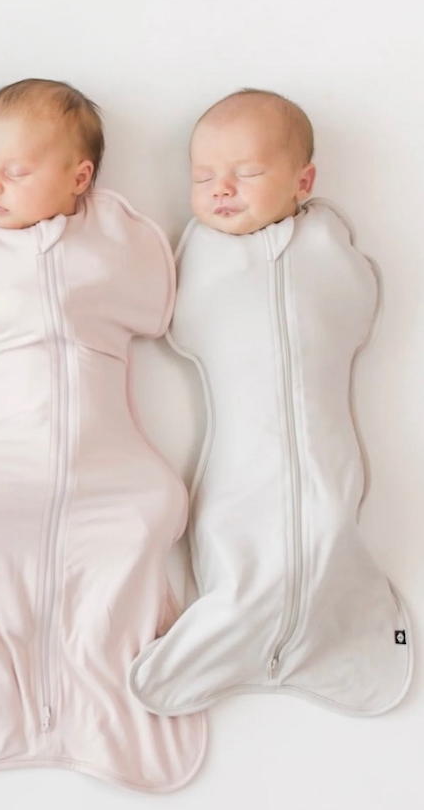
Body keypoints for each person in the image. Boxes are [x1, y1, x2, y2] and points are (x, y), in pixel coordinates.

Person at [0, 79, 206, 792]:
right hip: (2, 449)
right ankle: (4, 689)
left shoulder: (118, 237)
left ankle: (97, 689)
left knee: (148, 508)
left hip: (111, 456)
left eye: (15, 171)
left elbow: (157, 310)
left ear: (79, 179)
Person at [129, 89, 411, 717]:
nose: (222, 189)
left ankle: (337, 633)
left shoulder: (325, 243)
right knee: (234, 532)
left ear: (303, 182)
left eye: (248, 173)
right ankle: (236, 629)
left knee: (328, 522)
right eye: (204, 177)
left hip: (326, 445)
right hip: (240, 452)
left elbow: (357, 298)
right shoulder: (199, 253)